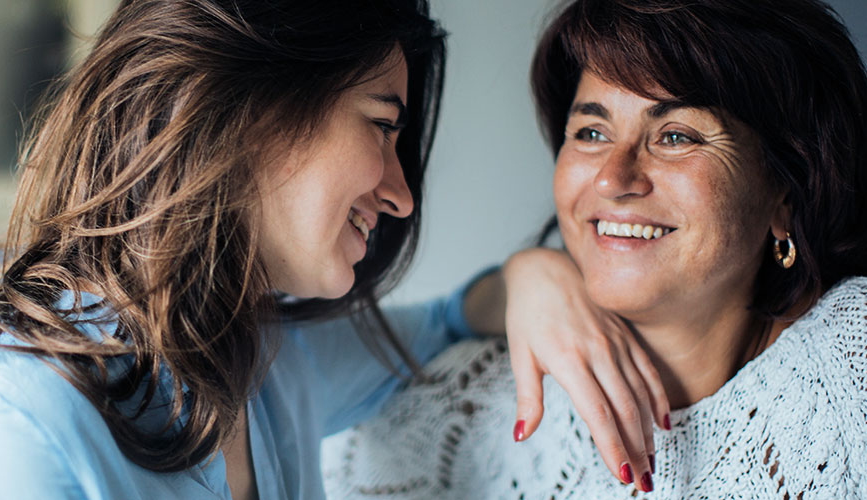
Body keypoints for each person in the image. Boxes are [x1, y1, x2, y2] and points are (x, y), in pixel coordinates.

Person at [0, 0, 666, 498]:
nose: (402, 194)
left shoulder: (259, 363)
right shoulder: (11, 427)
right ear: (252, 114)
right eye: (381, 124)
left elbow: (442, 323)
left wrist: (534, 275)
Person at [323, 0, 867, 498]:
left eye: (675, 136)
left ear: (786, 194)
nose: (613, 178)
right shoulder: (459, 410)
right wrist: (525, 272)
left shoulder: (851, 370)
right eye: (590, 132)